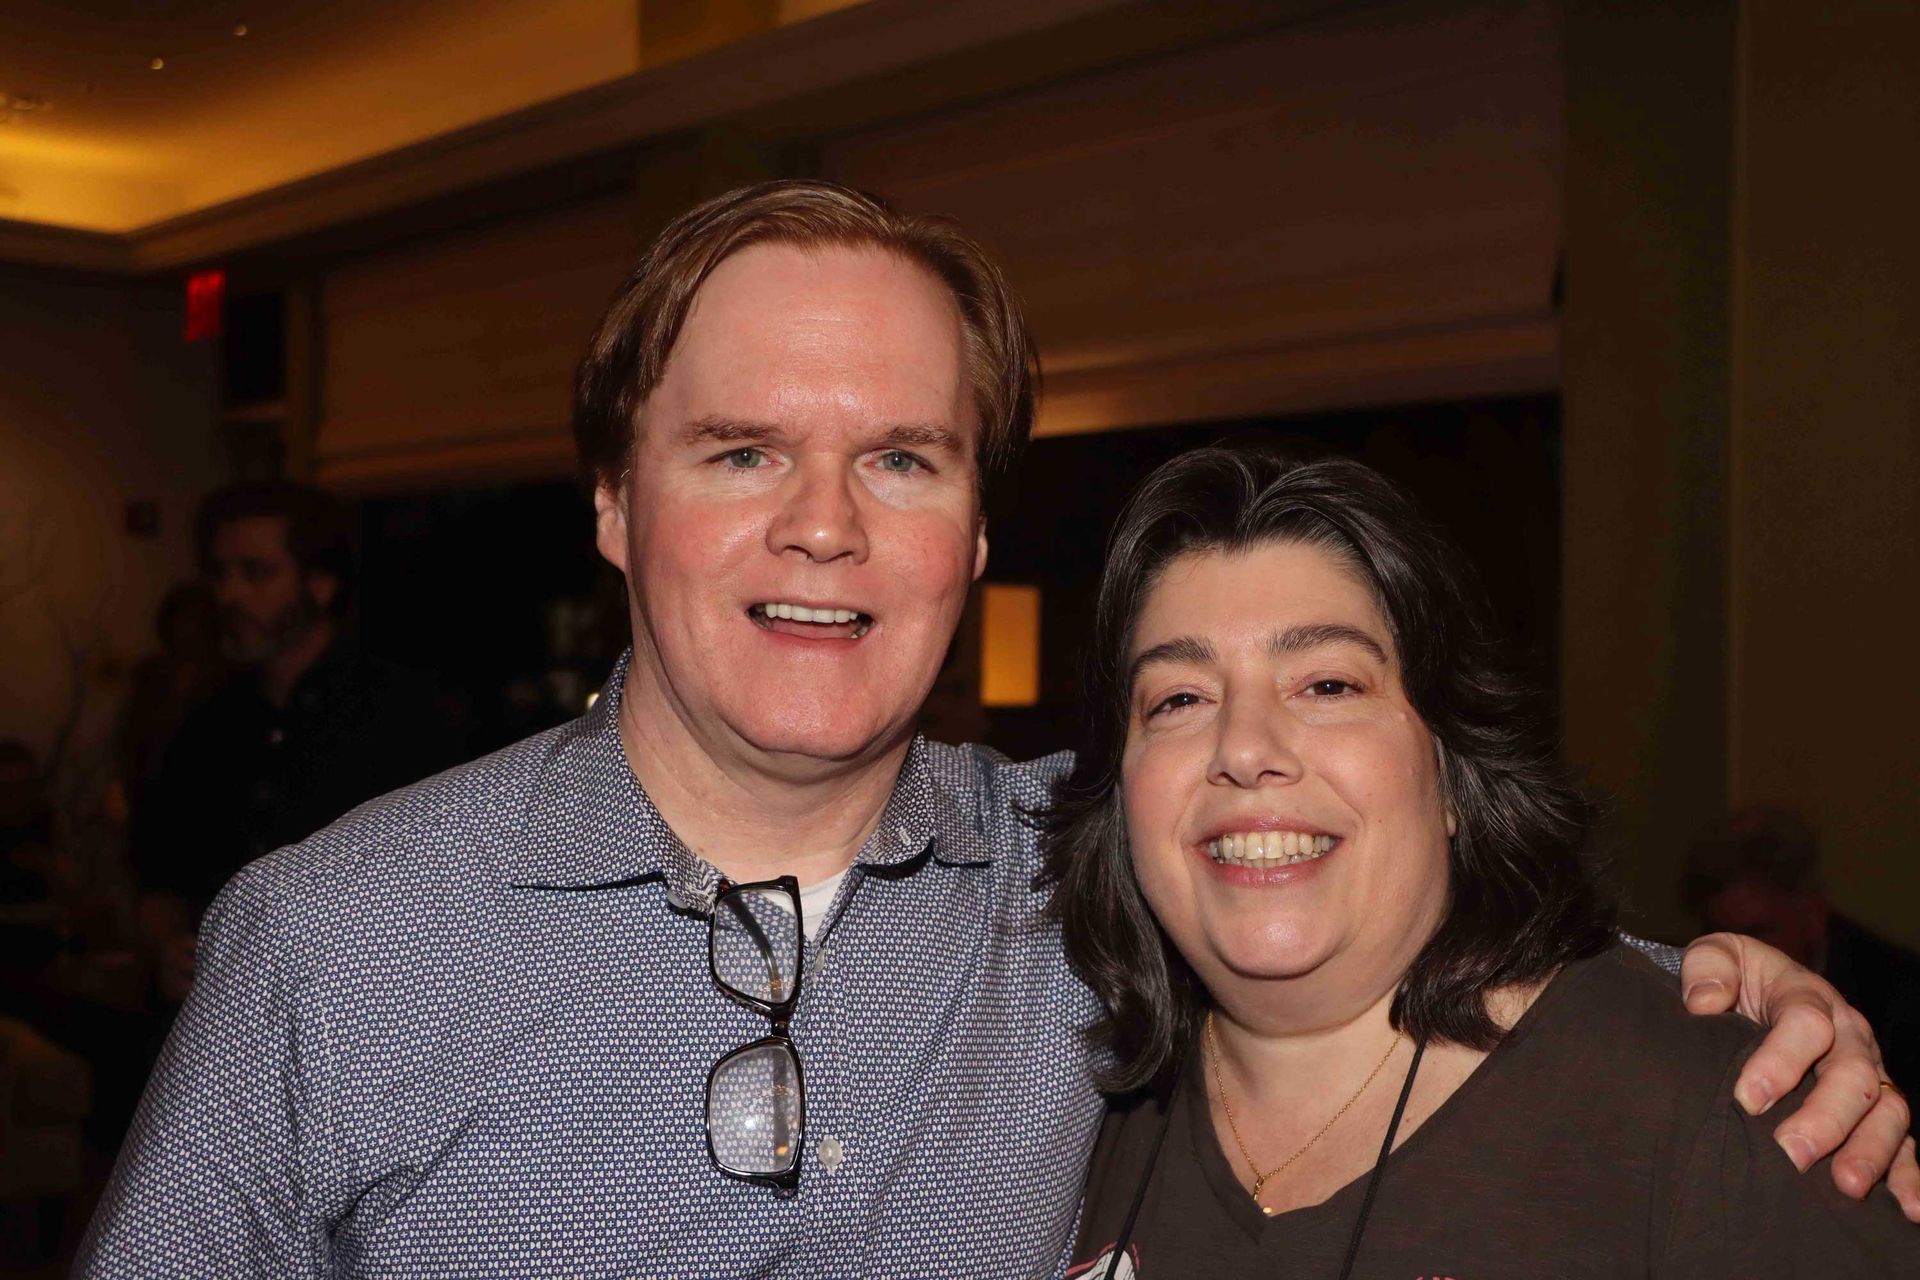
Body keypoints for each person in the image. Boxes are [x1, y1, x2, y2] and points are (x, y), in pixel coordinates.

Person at [78, 182, 1916, 1276]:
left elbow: (1354, 890)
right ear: (616, 506)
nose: (824, 524)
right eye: (740, 454)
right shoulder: (334, 945)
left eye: (898, 456)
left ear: (966, 533)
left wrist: (1724, 990)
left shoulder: (1087, 867)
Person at [1053, 448, 1919, 1277]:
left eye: (1328, 684)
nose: (1244, 748)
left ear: (1456, 777)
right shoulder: (1057, 1113)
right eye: (1179, 699)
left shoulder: (1716, 1111)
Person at [130, 482, 463, 1000]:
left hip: (359, 1019)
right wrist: (166, 948)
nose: (229, 595)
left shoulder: (403, 716)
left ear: (321, 584)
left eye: (256, 573)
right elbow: (161, 876)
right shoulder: (204, 724)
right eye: (219, 574)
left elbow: (447, 890)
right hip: (218, 1026)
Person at [1688, 806, 1920, 1092]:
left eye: (1757, 932)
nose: (1738, 950)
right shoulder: (1696, 980)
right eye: (1717, 932)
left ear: (1813, 914)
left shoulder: (1900, 1001)